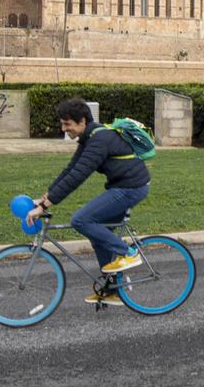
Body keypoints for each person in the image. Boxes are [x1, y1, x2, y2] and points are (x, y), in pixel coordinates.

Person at [26, 99, 152, 306]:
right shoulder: (90, 137)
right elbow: (70, 170)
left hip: (132, 188)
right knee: (98, 234)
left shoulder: (99, 140)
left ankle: (129, 252)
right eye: (62, 124)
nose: (64, 129)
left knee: (81, 220)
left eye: (67, 124)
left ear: (82, 121)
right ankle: (113, 289)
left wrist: (44, 207)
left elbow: (78, 176)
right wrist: (44, 197)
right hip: (120, 186)